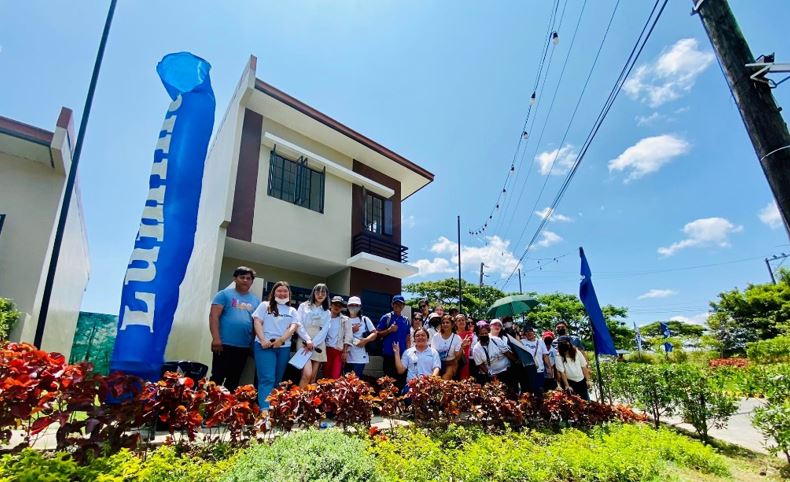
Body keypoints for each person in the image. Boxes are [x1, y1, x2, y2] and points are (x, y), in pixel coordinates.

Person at [252, 280, 305, 408]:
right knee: (267, 378)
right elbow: (257, 322)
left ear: (289, 294)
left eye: (285, 291)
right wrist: (263, 340)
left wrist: (281, 340)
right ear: (274, 292)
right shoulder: (265, 305)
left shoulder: (292, 310)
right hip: (265, 347)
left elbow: (293, 327)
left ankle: (273, 407)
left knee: (277, 380)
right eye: (279, 290)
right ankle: (264, 410)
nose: (282, 293)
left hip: (283, 348)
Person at [208, 267, 261, 391]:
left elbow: (256, 325)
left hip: (243, 347)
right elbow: (213, 316)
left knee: (234, 379)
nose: (245, 280)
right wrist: (216, 339)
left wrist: (252, 345)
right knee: (217, 378)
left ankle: (227, 408)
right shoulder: (224, 294)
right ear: (235, 279)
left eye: (248, 278)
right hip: (223, 345)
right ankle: (208, 406)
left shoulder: (256, 301)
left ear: (252, 281)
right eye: (242, 277)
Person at [296, 284, 331, 387]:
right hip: (304, 341)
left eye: (323, 292)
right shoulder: (303, 306)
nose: (320, 295)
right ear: (313, 293)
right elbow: (298, 323)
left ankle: (308, 401)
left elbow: (325, 330)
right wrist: (308, 340)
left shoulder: (327, 312)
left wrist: (314, 343)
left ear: (326, 295)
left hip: (318, 343)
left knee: (312, 378)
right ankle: (298, 399)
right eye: (317, 292)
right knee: (307, 374)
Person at [472, 320, 517, 392]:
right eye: (481, 334)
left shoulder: (496, 340)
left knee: (512, 392)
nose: (484, 335)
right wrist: (491, 375)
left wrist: (516, 361)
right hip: (493, 375)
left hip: (506, 370)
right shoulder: (476, 349)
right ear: (477, 335)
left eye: (485, 333)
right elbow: (480, 364)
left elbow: (507, 353)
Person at [377, 295, 411, 389]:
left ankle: (399, 402)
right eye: (396, 304)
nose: (398, 306)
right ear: (392, 305)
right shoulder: (386, 317)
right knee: (388, 382)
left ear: (403, 306)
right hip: (389, 355)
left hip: (402, 356)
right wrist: (389, 330)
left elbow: (408, 337)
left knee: (401, 381)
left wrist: (409, 352)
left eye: (400, 304)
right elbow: (377, 334)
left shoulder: (406, 320)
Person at [344, 296, 377, 378]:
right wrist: (351, 331)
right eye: (351, 305)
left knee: (357, 381)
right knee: (346, 382)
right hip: (346, 356)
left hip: (360, 357)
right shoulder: (343, 319)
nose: (354, 307)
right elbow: (339, 336)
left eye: (356, 305)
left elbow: (375, 333)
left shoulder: (364, 319)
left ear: (360, 307)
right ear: (347, 306)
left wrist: (365, 340)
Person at [324, 296, 353, 379]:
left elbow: (348, 336)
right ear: (331, 305)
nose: (337, 307)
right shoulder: (325, 317)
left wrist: (345, 352)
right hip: (326, 350)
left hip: (338, 351)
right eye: (335, 304)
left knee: (335, 376)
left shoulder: (346, 319)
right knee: (326, 375)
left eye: (339, 306)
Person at [519, 326, 551, 400]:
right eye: (526, 332)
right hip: (527, 370)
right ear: (524, 334)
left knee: (539, 390)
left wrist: (549, 367)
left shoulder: (540, 342)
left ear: (534, 332)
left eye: (530, 331)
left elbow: (545, 355)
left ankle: (540, 407)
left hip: (539, 369)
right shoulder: (522, 342)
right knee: (528, 391)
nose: (529, 333)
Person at [431, 314, 463, 379]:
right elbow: (433, 352)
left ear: (452, 325)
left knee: (445, 379)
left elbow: (457, 357)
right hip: (438, 363)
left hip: (451, 364)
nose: (445, 324)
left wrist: (462, 347)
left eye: (447, 322)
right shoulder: (436, 336)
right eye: (443, 323)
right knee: (434, 379)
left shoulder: (457, 338)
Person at [453, 314, 474, 380]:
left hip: (464, 359)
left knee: (464, 379)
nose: (461, 322)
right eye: (459, 320)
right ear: (455, 323)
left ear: (465, 321)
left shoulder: (469, 333)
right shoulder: (452, 334)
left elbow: (466, 345)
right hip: (454, 358)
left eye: (463, 320)